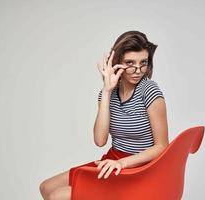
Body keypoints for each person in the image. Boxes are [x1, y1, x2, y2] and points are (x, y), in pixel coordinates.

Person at [39, 30, 169, 200]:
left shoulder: (149, 90)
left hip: (140, 168)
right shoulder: (108, 93)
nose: (138, 70)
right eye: (130, 63)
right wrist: (107, 91)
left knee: (58, 196)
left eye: (143, 62)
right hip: (112, 161)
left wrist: (122, 164)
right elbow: (100, 141)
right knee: (46, 187)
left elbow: (161, 146)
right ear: (117, 63)